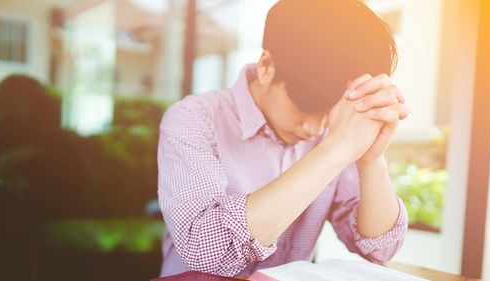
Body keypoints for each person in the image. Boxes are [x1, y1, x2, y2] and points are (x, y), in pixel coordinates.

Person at [157, 0, 410, 277]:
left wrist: (372, 161)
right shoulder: (194, 119)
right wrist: (333, 150)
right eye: (306, 108)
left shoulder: (339, 131)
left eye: (331, 113)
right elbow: (208, 254)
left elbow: (379, 249)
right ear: (266, 65)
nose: (316, 130)